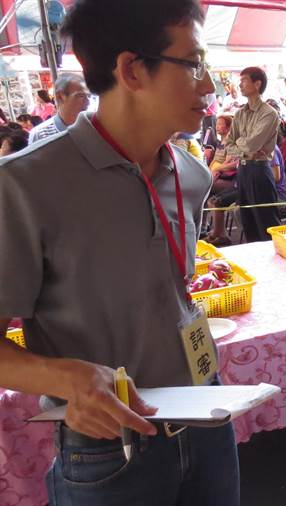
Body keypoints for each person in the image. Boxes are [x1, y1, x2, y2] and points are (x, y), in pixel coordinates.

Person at [0, 1, 240, 505]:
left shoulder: (191, 175)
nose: (210, 87)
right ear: (132, 69)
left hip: (206, 417)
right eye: (194, 65)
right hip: (110, 447)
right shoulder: (26, 186)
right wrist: (64, 377)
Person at [224, 66, 282, 242]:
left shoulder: (270, 114)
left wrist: (242, 145)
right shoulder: (240, 113)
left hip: (260, 170)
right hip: (243, 170)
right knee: (248, 222)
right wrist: (245, 148)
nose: (240, 85)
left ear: (257, 84)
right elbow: (229, 145)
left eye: (244, 81)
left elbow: (252, 144)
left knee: (266, 225)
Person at [205, 115, 239, 247]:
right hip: (217, 175)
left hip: (229, 180)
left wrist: (216, 170)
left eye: (220, 124)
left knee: (205, 189)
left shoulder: (232, 143)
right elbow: (214, 161)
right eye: (217, 124)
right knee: (205, 192)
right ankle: (215, 231)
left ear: (229, 127)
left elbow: (230, 163)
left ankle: (214, 230)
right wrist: (208, 171)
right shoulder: (220, 143)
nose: (217, 127)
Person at [29, 74, 91, 144]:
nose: (87, 102)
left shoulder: (92, 129)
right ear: (60, 97)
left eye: (89, 96)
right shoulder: (40, 135)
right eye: (80, 96)